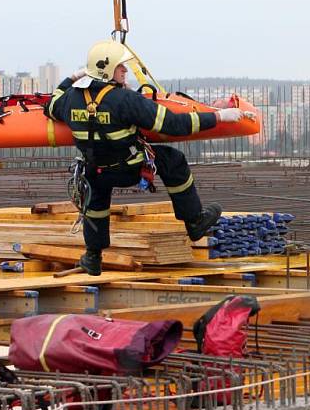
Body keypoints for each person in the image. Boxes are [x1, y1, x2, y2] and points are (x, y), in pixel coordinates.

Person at [48, 40, 245, 275]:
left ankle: (93, 256)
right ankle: (195, 221)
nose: (126, 70)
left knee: (95, 198)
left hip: (97, 170)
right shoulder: (126, 101)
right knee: (173, 160)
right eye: (121, 67)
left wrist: (73, 76)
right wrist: (219, 117)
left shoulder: (72, 98)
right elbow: (173, 124)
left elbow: (51, 104)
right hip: (129, 168)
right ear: (109, 70)